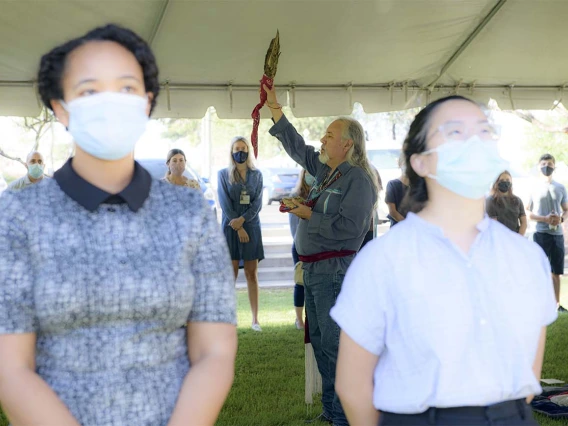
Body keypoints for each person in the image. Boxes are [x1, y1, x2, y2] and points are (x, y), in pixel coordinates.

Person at [0, 24, 237, 426]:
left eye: (126, 88)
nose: (110, 103)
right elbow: (10, 367)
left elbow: (214, 353)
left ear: (146, 103)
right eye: (90, 91)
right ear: (60, 107)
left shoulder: (189, 212)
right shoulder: (18, 215)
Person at [330, 95, 557, 426]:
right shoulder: (383, 260)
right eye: (455, 132)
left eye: (484, 131)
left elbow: (527, 372)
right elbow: (352, 387)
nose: (474, 143)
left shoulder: (527, 257)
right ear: (420, 162)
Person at [264, 84, 377, 426]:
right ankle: (331, 411)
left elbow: (348, 229)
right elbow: (298, 148)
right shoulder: (328, 171)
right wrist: (275, 109)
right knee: (322, 346)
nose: (323, 141)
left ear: (348, 144)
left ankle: (345, 415)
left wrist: (307, 214)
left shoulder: (359, 180)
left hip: (335, 272)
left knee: (335, 347)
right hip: (313, 272)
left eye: (329, 135)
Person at [218, 136, 264, 331]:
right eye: (237, 148)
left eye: (244, 148)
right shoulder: (223, 174)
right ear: (231, 151)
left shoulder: (257, 175)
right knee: (231, 274)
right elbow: (225, 203)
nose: (240, 152)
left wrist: (244, 222)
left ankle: (255, 320)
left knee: (251, 274)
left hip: (251, 227)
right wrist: (238, 226)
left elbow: (257, 203)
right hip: (230, 228)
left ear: (249, 151)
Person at [527, 154, 568, 313]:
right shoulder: (534, 187)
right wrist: (544, 218)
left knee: (556, 272)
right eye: (543, 163)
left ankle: (557, 305)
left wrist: (561, 220)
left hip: (557, 235)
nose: (546, 166)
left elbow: (566, 210)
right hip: (540, 234)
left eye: (549, 164)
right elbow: (527, 211)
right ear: (539, 166)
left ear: (554, 167)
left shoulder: (560, 187)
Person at [288, 168, 315, 330]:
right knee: (300, 282)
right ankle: (299, 320)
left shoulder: (322, 194)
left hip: (318, 247)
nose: (310, 176)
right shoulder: (295, 197)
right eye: (307, 172)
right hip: (300, 245)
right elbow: (294, 227)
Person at [486, 170, 527, 235]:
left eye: (508, 180)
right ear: (496, 182)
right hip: (499, 240)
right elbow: (494, 226)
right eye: (502, 180)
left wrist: (519, 238)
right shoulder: (491, 200)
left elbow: (524, 222)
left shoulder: (517, 200)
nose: (505, 182)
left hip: (515, 239)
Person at [385, 157, 409, 227]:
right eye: (405, 163)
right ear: (399, 164)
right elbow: (392, 212)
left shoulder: (418, 186)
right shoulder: (392, 185)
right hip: (398, 228)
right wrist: (408, 225)